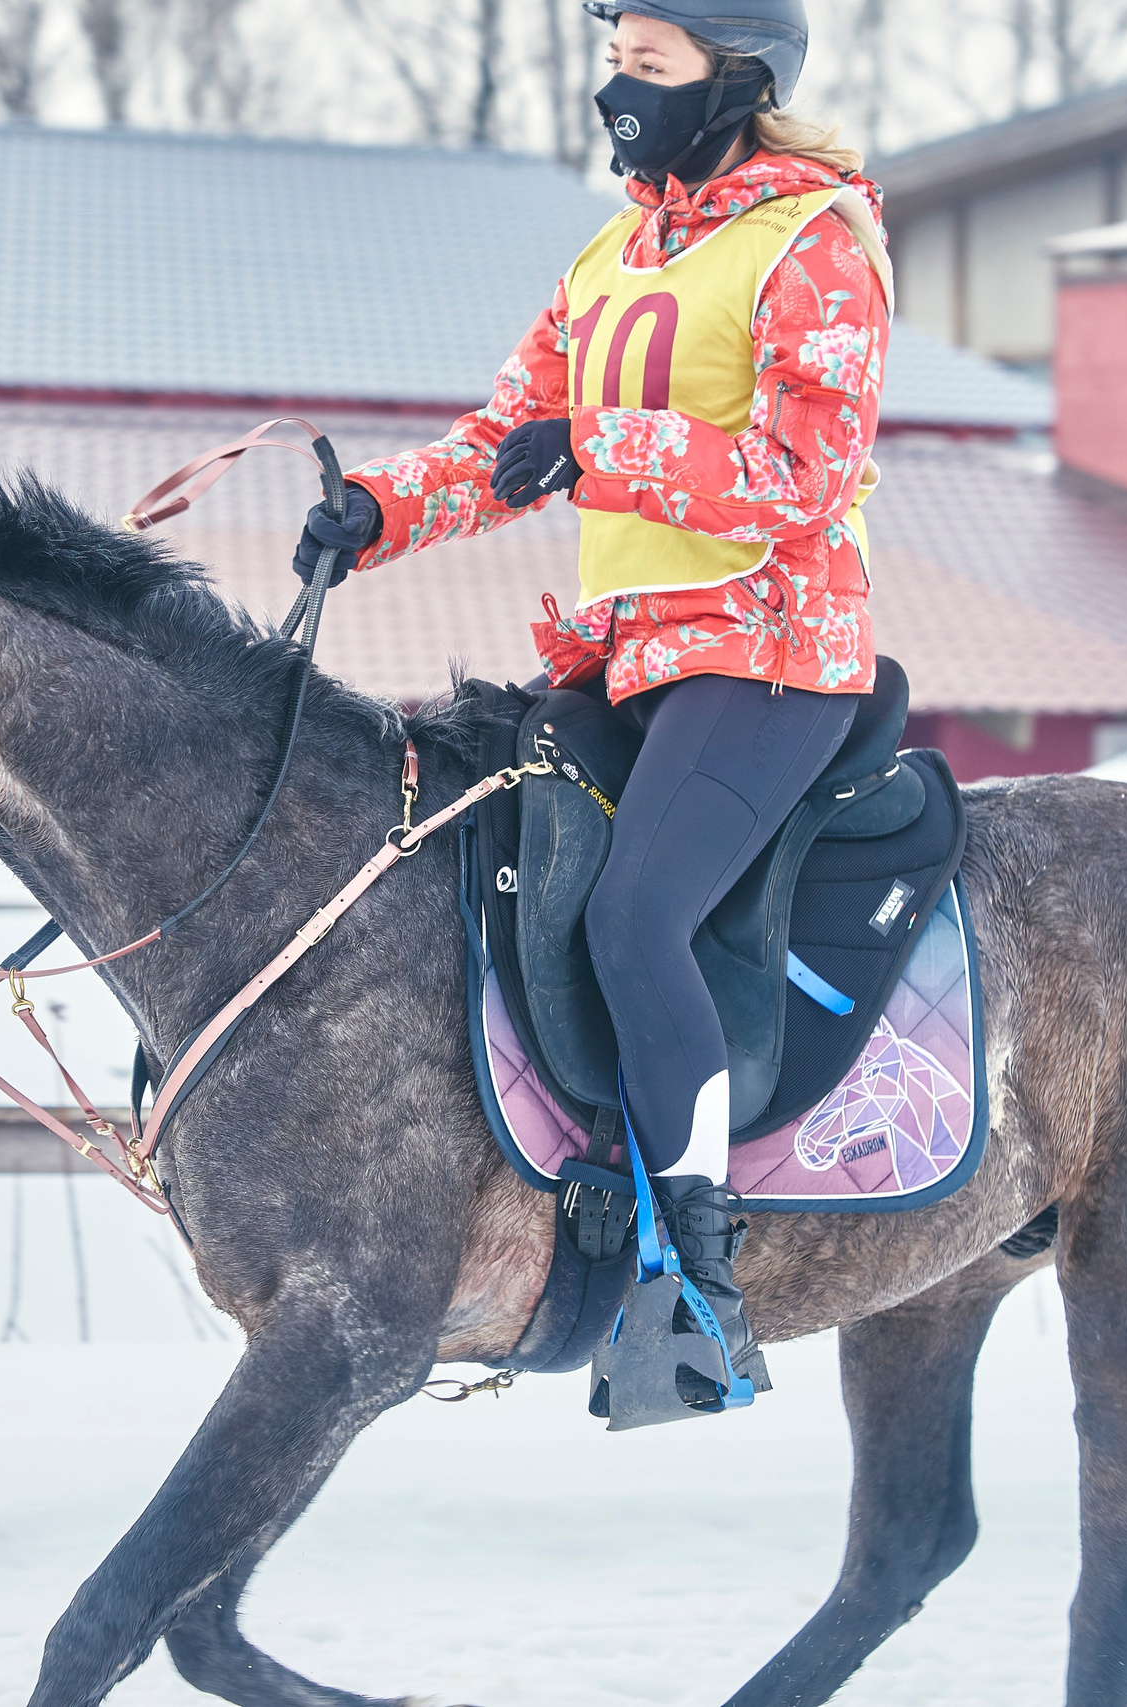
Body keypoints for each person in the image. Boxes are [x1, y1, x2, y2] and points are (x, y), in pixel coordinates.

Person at [288, 1, 889, 1390]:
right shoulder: (613, 255)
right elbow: (511, 441)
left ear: (734, 80)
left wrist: (600, 446)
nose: (619, 89)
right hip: (626, 657)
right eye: (613, 63)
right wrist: (378, 513)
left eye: (650, 66)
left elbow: (801, 473)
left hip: (772, 649)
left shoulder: (814, 246)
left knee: (636, 911)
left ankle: (694, 1290)